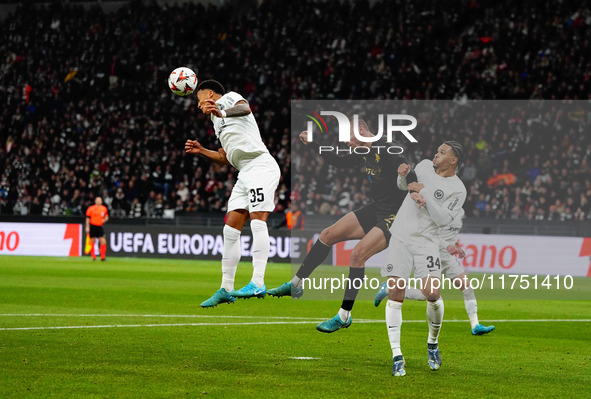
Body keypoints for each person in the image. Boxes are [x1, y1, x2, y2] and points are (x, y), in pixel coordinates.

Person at [267, 118, 414, 333]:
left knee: (357, 255)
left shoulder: (387, 149)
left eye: (348, 137)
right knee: (327, 234)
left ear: (362, 130)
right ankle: (296, 284)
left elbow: (411, 174)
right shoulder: (362, 151)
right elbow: (339, 161)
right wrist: (315, 143)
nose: (346, 142)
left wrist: (412, 186)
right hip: (376, 209)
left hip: (396, 216)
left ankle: (344, 315)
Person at [185, 80, 280, 307]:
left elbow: (245, 108)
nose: (199, 106)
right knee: (230, 229)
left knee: (258, 220)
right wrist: (202, 151)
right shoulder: (216, 121)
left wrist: (222, 110)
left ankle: (258, 282)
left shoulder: (228, 99)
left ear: (209, 93)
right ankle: (226, 288)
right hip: (244, 172)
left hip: (260, 165)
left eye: (199, 100)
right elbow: (225, 158)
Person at [383, 141, 466, 377]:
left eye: (442, 152)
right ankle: (397, 355)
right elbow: (405, 188)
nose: (436, 154)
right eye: (437, 150)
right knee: (395, 292)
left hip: (427, 242)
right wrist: (403, 177)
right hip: (400, 235)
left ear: (453, 160)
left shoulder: (458, 189)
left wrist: (426, 194)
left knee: (432, 294)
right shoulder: (423, 165)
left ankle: (432, 343)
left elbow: (443, 220)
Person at [374, 208, 496, 336]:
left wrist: (456, 245)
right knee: (428, 295)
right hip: (429, 254)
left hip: (446, 256)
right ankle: (389, 288)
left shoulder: (453, 208)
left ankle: (475, 325)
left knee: (467, 287)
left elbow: (449, 232)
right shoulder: (431, 204)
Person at [85, 196, 109, 261]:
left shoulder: (104, 209)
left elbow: (106, 216)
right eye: (97, 200)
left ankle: (102, 257)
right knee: (92, 241)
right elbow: (88, 218)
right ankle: (93, 257)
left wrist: (104, 220)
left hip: (99, 227)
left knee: (103, 241)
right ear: (95, 201)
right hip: (92, 226)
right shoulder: (91, 208)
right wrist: (87, 226)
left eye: (99, 200)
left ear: (101, 201)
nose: (98, 201)